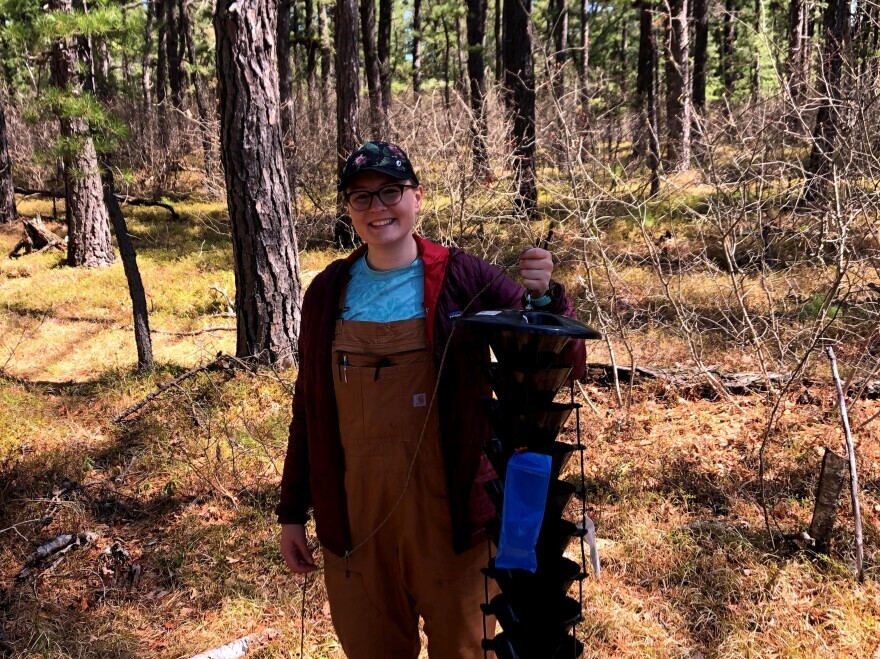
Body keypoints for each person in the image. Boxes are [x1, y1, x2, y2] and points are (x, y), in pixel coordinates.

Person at [277, 141, 585, 658]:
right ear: (348, 210)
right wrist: (292, 512)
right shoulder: (329, 290)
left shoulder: (465, 277)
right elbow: (309, 406)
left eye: (390, 192)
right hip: (355, 525)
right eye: (361, 197)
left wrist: (545, 298)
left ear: (417, 197)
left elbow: (563, 361)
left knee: (468, 651)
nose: (378, 209)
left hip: (456, 525)